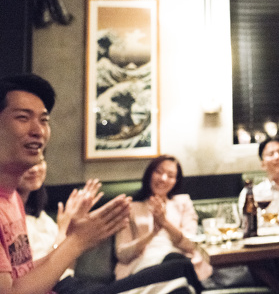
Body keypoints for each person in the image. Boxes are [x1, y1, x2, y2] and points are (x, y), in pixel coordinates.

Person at [0, 72, 189, 294]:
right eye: (23, 118)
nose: (38, 130)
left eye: (44, 120)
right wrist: (77, 240)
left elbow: (24, 274)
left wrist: (76, 237)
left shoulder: (12, 199)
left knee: (180, 275)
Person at [18, 159, 202, 294]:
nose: (34, 168)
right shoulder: (15, 220)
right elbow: (33, 276)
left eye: (39, 161)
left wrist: (70, 231)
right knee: (181, 269)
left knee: (181, 280)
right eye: (159, 172)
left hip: (72, 283)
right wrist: (67, 233)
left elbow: (66, 267)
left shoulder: (43, 218)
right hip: (62, 288)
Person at [115, 155, 211, 283]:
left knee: (177, 263)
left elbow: (191, 245)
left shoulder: (183, 203)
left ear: (175, 181)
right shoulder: (130, 208)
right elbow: (122, 255)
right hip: (145, 265)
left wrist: (164, 222)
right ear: (150, 174)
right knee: (178, 270)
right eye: (158, 172)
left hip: (179, 262)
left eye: (170, 176)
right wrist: (151, 234)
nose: (163, 179)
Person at [239, 136, 279, 228]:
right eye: (271, 154)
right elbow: (250, 224)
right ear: (262, 163)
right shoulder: (252, 194)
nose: (277, 157)